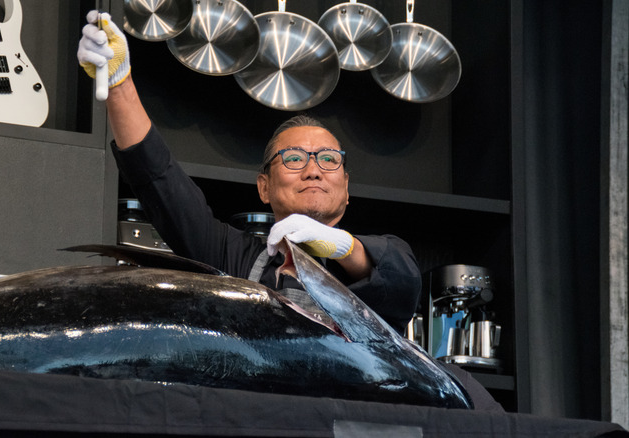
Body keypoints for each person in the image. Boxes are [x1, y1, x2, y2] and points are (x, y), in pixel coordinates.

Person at [76, 11, 504, 411]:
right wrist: (120, 83)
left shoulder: (377, 260)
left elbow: (402, 281)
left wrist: (339, 246)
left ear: (347, 190)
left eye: (328, 159)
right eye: (294, 158)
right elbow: (161, 182)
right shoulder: (234, 257)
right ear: (264, 187)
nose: (313, 169)